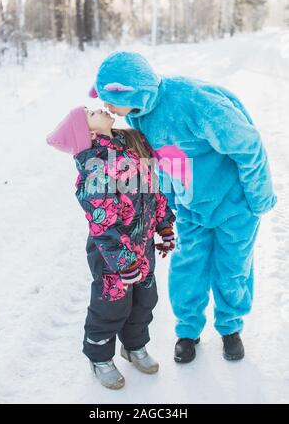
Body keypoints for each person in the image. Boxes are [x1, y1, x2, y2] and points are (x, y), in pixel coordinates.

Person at [88, 51, 277, 363]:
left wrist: (258, 196)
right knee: (188, 266)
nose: (106, 107)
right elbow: (167, 161)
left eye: (110, 98)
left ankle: (230, 327)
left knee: (233, 267)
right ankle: (188, 331)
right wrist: (172, 203)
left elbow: (248, 145)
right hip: (193, 207)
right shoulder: (138, 113)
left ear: (131, 90)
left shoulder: (195, 102)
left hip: (235, 203)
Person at [46, 106, 175, 389]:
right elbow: (103, 225)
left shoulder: (129, 144)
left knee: (145, 300)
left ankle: (134, 345)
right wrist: (124, 261)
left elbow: (153, 190)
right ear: (89, 132)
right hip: (112, 255)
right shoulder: (95, 166)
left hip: (142, 247)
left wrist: (164, 225)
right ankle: (100, 356)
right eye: (91, 113)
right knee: (111, 306)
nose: (100, 108)